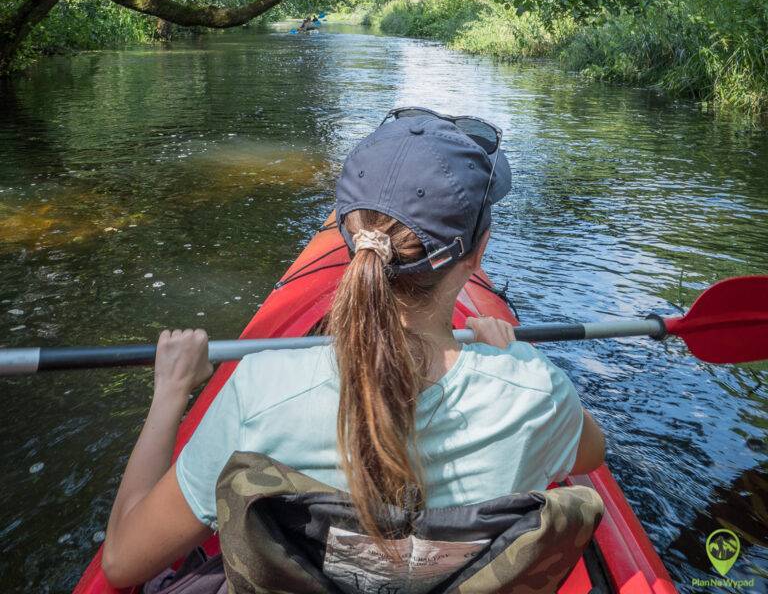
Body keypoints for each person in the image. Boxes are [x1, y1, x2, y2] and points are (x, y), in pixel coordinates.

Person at [102, 108, 605, 589]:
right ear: (479, 251)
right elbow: (590, 453)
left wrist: (170, 393)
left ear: (349, 235)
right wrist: (509, 358)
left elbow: (123, 562)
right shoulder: (536, 391)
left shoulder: (261, 390)